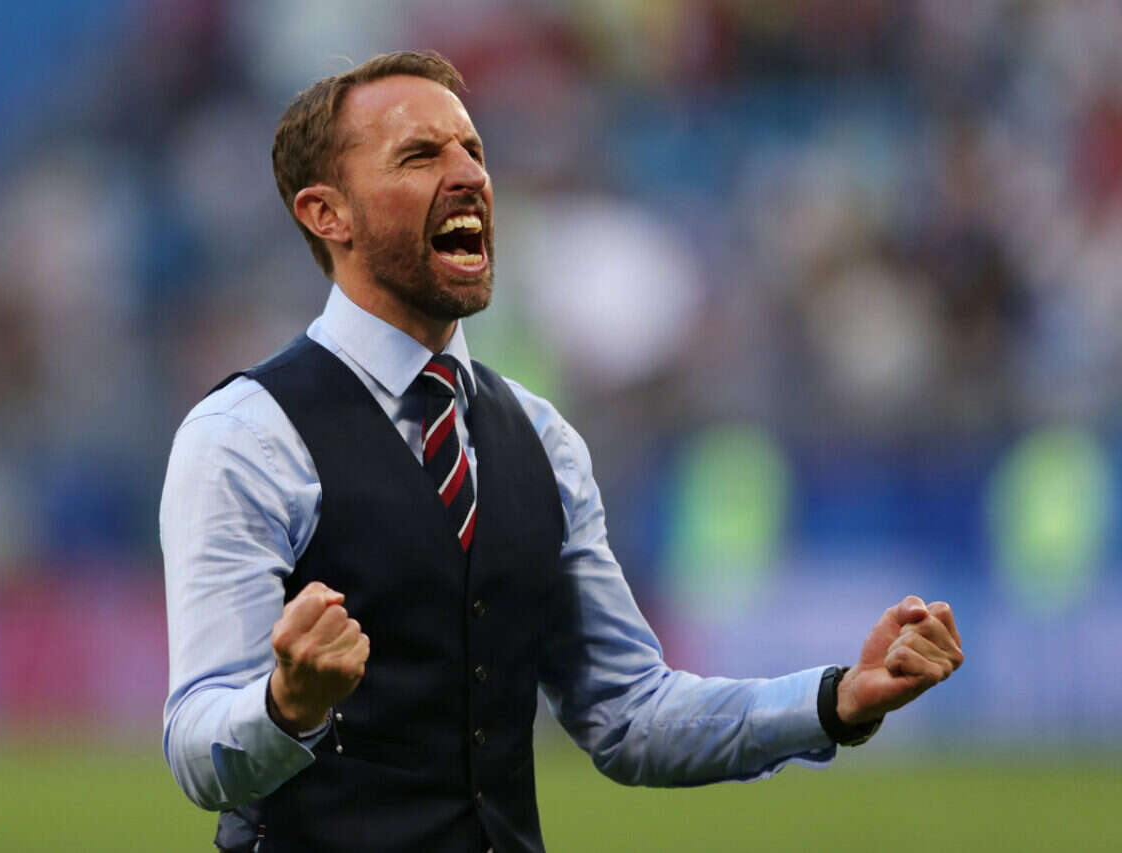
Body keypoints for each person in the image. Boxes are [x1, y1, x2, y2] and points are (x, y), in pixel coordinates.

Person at [160, 50, 965, 853]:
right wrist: (285, 705)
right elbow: (198, 749)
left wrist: (836, 701)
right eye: (419, 156)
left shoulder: (542, 439)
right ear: (326, 213)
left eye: (473, 150)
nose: (469, 175)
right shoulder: (246, 437)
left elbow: (630, 711)